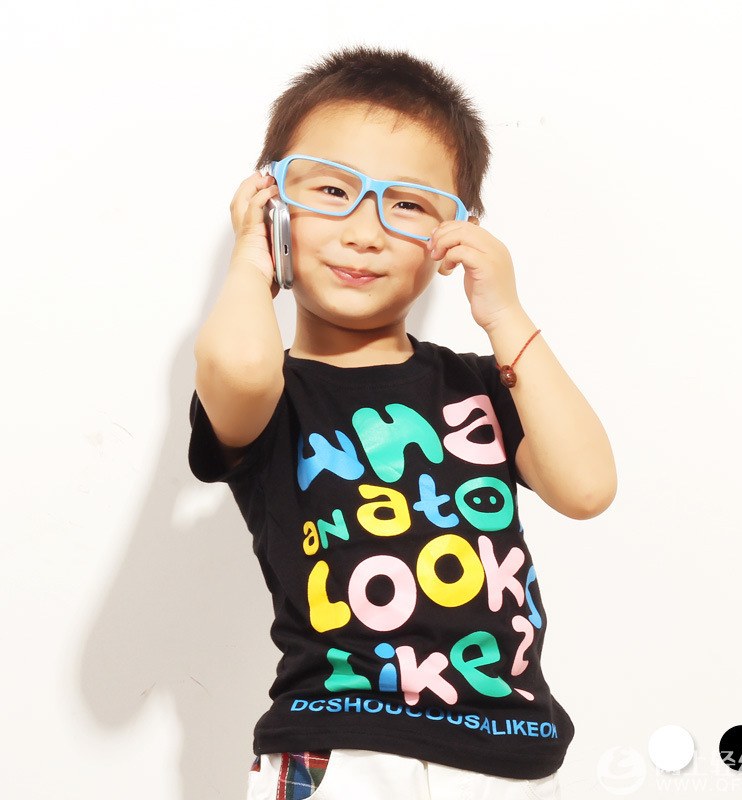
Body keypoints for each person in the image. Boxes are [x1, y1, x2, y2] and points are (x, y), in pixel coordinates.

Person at [189, 46, 616, 800]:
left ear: (455, 233)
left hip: (509, 749)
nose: (366, 231)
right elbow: (242, 367)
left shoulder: (480, 384)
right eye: (332, 190)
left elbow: (586, 488)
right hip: (341, 744)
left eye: (409, 205)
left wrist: (504, 313)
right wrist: (252, 257)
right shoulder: (273, 396)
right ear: (272, 203)